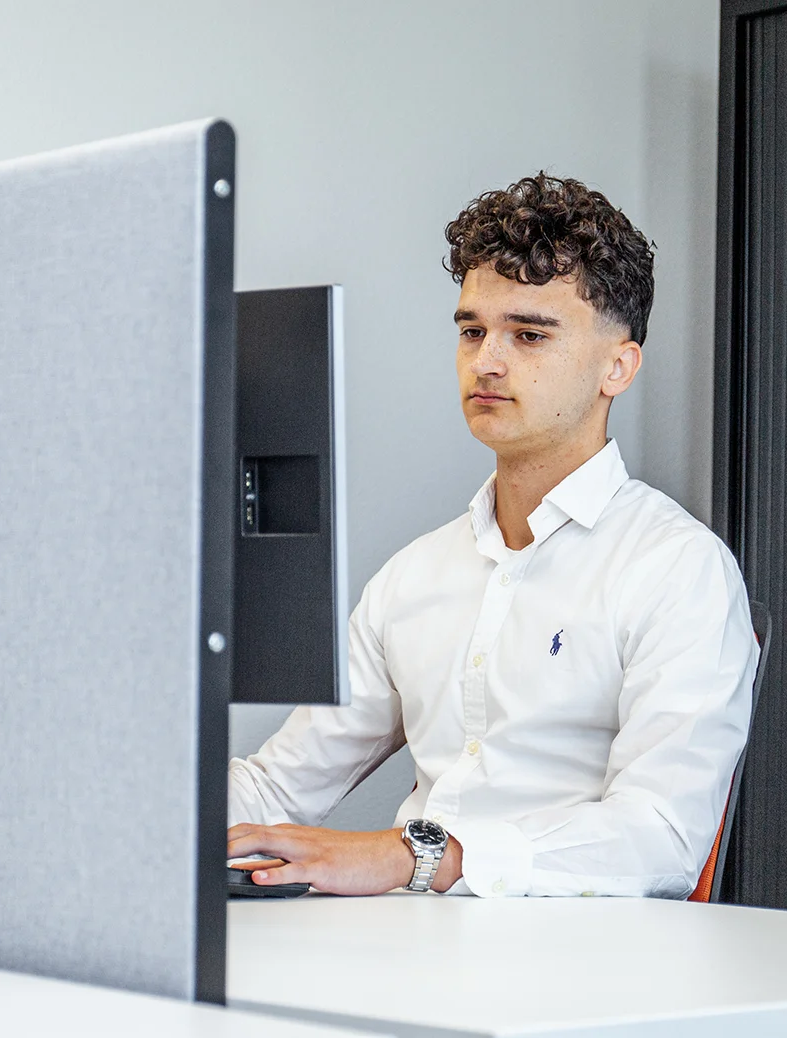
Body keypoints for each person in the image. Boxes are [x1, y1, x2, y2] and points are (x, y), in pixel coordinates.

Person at [227, 173, 758, 898]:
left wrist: (423, 856)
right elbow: (275, 790)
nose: (487, 361)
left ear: (618, 366)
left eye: (529, 335)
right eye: (472, 330)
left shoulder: (678, 570)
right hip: (406, 954)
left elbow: (662, 835)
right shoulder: (413, 578)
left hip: (582, 980)